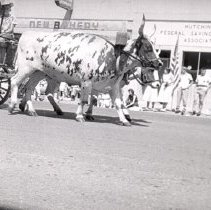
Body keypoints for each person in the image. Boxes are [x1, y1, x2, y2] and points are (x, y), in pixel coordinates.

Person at [0, 2, 17, 68]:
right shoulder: (0, 18)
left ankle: (8, 65)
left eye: (8, 8)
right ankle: (1, 64)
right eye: (5, 8)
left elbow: (11, 29)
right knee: (1, 43)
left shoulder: (12, 17)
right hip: (2, 36)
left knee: (11, 47)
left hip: (9, 36)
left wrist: (4, 33)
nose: (8, 9)